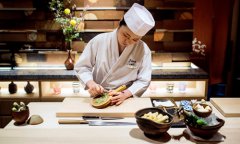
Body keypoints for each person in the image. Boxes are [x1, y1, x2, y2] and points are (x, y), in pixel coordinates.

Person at [75, 3, 155, 105]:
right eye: (125, 35)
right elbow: (82, 67)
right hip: (99, 97)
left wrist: (126, 94)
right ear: (120, 23)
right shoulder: (99, 41)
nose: (128, 41)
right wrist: (91, 84)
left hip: (125, 99)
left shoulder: (143, 50)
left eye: (135, 39)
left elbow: (144, 80)